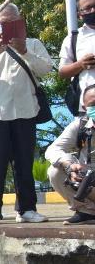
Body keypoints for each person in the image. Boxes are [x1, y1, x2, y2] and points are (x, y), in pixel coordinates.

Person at [0, 3, 52, 225]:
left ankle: (26, 209)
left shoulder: (33, 44)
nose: (6, 27)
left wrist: (25, 51)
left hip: (25, 112)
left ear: (20, 21)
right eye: (2, 23)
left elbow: (46, 69)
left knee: (24, 162)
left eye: (11, 22)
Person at [45, 84, 95, 224]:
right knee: (55, 171)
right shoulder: (79, 125)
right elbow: (52, 149)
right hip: (90, 180)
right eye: (93, 104)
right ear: (85, 108)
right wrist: (69, 166)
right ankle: (88, 211)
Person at [60, 0, 95, 115]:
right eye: (88, 8)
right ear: (79, 14)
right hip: (89, 108)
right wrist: (80, 64)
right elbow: (62, 72)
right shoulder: (73, 38)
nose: (93, 10)